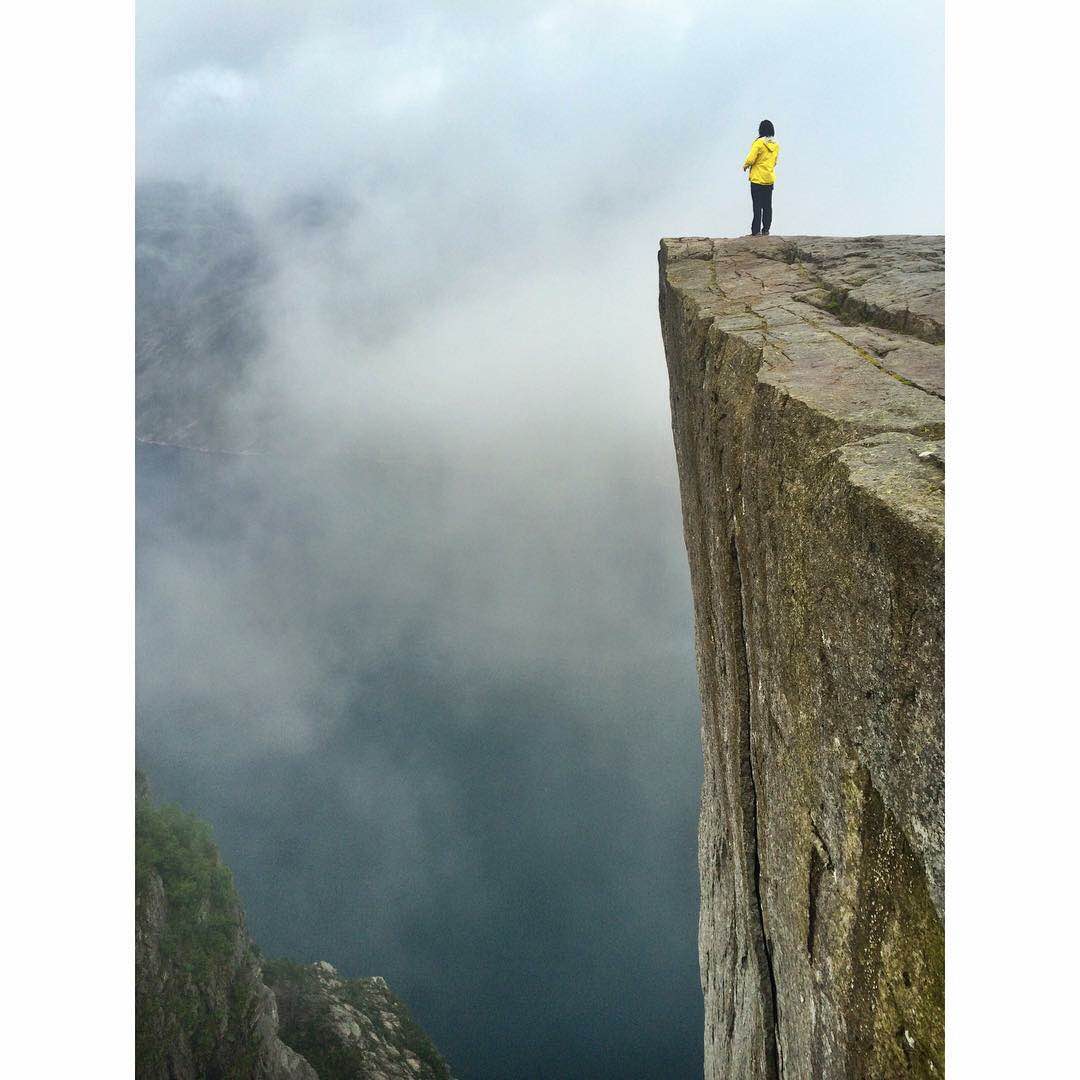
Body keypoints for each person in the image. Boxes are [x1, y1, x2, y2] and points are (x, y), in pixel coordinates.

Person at [742, 120, 779, 236]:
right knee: (767, 206)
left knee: (757, 206)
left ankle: (756, 231)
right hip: (769, 179)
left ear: (761, 130)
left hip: (757, 179)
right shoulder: (776, 145)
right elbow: (775, 162)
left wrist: (745, 165)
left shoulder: (758, 143)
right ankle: (766, 230)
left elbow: (751, 158)